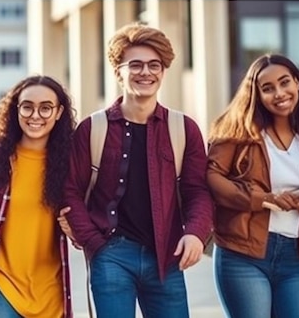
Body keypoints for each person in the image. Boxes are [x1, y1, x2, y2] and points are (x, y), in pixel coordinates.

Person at [59, 22, 214, 317]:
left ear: (164, 71)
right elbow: (69, 191)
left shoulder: (183, 128)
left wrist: (195, 233)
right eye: (136, 65)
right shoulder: (93, 128)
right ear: (119, 71)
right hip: (112, 254)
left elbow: (197, 190)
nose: (146, 72)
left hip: (166, 256)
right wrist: (94, 243)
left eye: (154, 65)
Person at [206, 53, 299, 318]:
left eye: (284, 82)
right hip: (242, 255)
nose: (279, 93)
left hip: (297, 260)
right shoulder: (236, 132)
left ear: (297, 84)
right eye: (267, 88)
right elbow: (213, 178)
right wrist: (262, 199)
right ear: (256, 95)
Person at [0, 75, 76, 318]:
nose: (35, 116)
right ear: (16, 110)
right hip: (5, 289)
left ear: (59, 112)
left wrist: (75, 229)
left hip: (52, 293)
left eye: (46, 108)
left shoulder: (70, 165)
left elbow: (84, 226)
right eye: (27, 107)